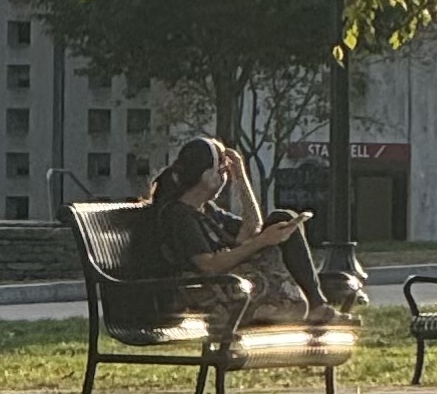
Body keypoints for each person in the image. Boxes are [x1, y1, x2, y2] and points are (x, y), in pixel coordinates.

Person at [132, 136, 324, 327]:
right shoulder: (180, 215)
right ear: (206, 175)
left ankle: (317, 305)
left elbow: (251, 228)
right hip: (205, 293)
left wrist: (241, 176)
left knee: (282, 218)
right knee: (271, 245)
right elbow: (209, 266)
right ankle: (314, 307)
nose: (225, 178)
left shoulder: (207, 209)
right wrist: (261, 241)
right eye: (222, 171)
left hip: (228, 283)